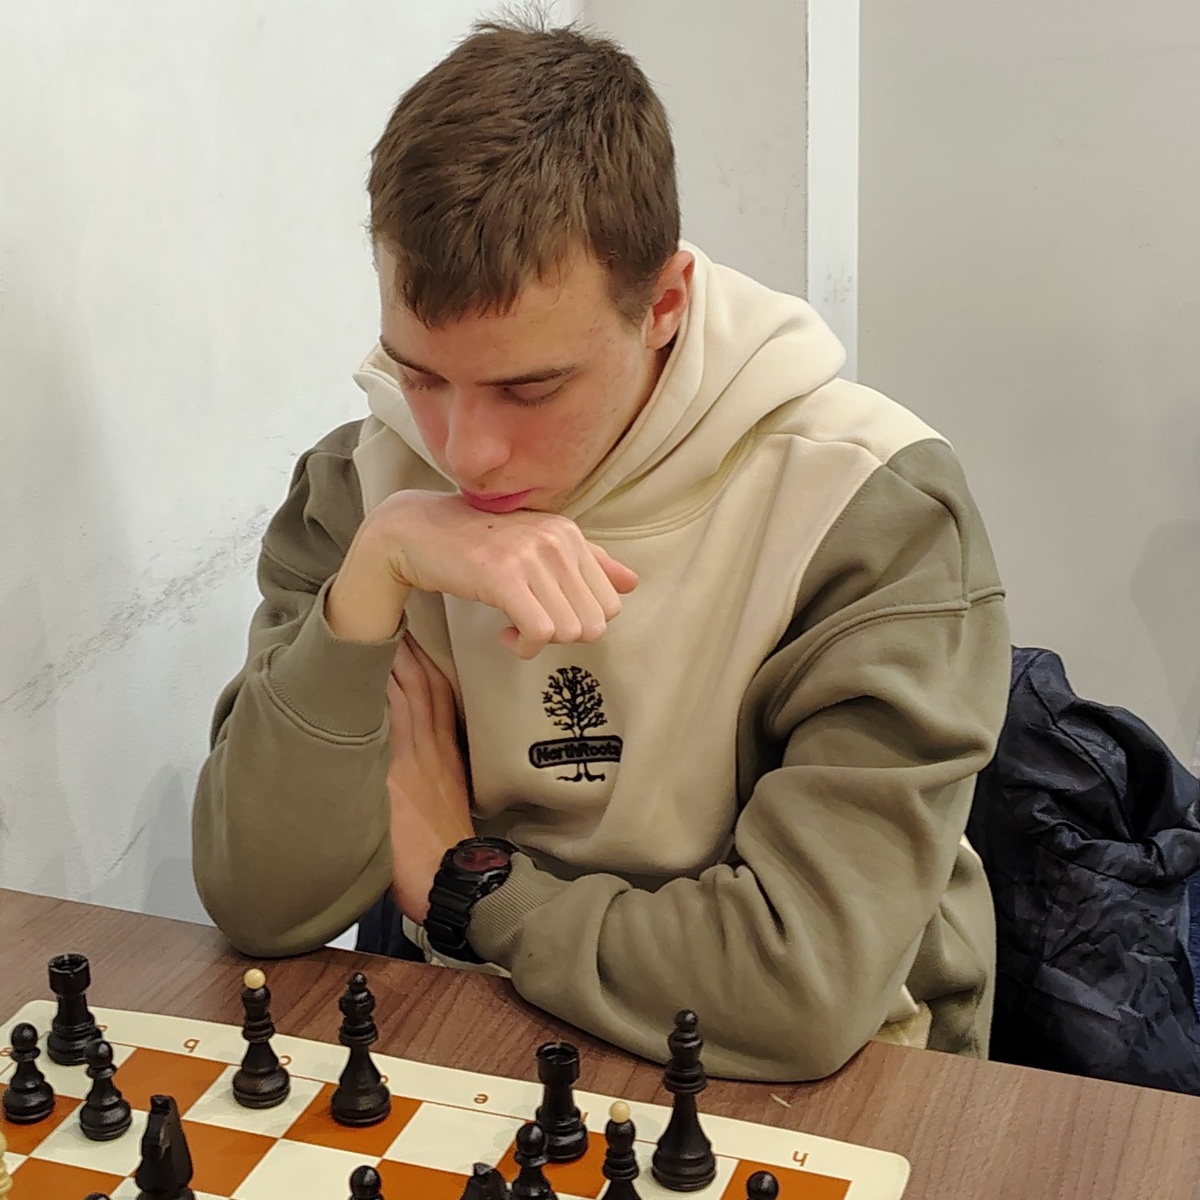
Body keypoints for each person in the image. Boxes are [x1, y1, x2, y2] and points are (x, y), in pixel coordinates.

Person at [191, 15, 1011, 1081]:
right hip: (479, 1015)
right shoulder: (362, 489)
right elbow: (263, 904)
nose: (466, 451)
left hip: (827, 1078)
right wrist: (372, 578)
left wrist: (465, 881)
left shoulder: (867, 504)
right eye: (422, 375)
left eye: (532, 388)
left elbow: (795, 991)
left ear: (662, 303)